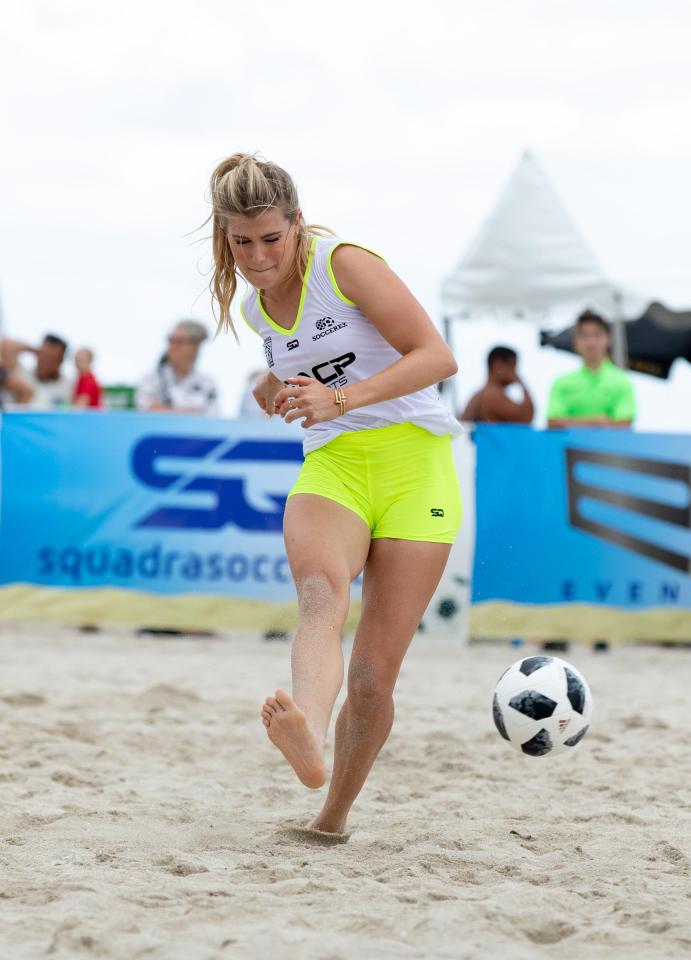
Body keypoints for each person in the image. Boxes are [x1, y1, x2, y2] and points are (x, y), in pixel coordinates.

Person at [209, 152, 462, 838]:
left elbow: (437, 357)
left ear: (296, 224)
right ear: (223, 236)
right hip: (334, 465)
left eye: (271, 238)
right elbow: (292, 362)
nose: (258, 257)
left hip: (417, 465)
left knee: (375, 677)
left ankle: (333, 816)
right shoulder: (253, 304)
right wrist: (275, 385)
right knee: (321, 594)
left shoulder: (342, 263)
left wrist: (340, 396)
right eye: (241, 242)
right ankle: (309, 735)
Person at [547, 311, 636, 428]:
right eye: (585, 335)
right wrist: (598, 422)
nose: (591, 342)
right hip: (570, 446)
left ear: (608, 339)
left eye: (597, 335)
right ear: (576, 341)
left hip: (608, 447)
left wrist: (572, 422)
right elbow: (553, 423)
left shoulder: (622, 381)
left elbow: (624, 425)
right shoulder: (561, 382)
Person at [136, 320, 219, 414]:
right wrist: (193, 413)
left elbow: (212, 415)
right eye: (170, 340)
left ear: (195, 347)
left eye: (178, 341)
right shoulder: (152, 379)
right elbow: (146, 409)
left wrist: (166, 409)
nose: (172, 346)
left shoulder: (207, 383)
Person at [460, 345, 534, 423]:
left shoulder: (480, 394)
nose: (515, 372)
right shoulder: (492, 395)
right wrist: (522, 384)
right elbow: (526, 416)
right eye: (512, 366)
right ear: (497, 365)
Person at [0, 334, 72, 409]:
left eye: (51, 359)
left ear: (61, 361)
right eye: (43, 356)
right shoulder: (22, 374)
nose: (45, 362)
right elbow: (6, 345)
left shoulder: (68, 385)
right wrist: (35, 350)